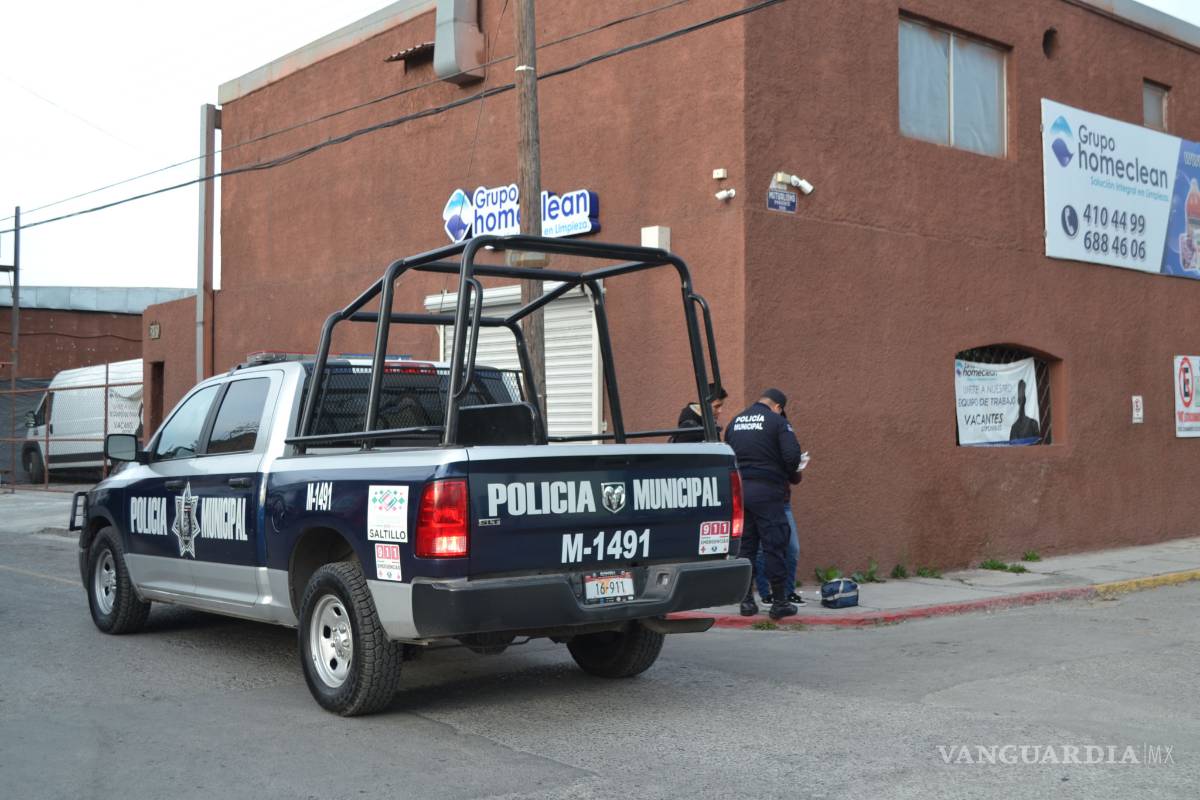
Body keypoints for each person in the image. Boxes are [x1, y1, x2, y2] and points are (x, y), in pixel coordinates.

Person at [725, 388, 802, 620]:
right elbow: (792, 458)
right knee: (774, 544)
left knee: (746, 547)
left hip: (740, 491)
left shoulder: (735, 422)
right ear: (778, 407)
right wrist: (788, 472)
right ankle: (779, 603)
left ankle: (746, 602)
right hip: (767, 491)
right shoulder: (777, 422)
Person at [755, 407, 804, 606]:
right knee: (761, 549)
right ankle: (765, 592)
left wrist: (796, 466)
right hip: (764, 501)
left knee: (792, 548)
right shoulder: (760, 446)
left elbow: (795, 478)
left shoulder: (786, 446)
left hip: (783, 503)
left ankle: (788, 591)